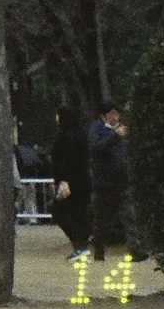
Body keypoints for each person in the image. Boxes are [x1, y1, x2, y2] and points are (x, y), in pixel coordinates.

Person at [89, 103, 131, 262]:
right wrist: (114, 135)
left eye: (117, 114)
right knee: (102, 218)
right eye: (112, 114)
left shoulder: (120, 130)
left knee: (128, 213)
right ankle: (99, 250)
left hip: (121, 180)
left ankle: (136, 249)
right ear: (104, 115)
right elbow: (96, 148)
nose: (116, 118)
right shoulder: (97, 129)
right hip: (104, 182)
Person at [50, 105, 93, 262]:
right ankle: (81, 247)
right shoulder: (81, 135)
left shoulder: (65, 137)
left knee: (60, 212)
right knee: (79, 214)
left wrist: (63, 179)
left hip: (69, 181)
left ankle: (79, 246)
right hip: (82, 181)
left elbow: (65, 160)